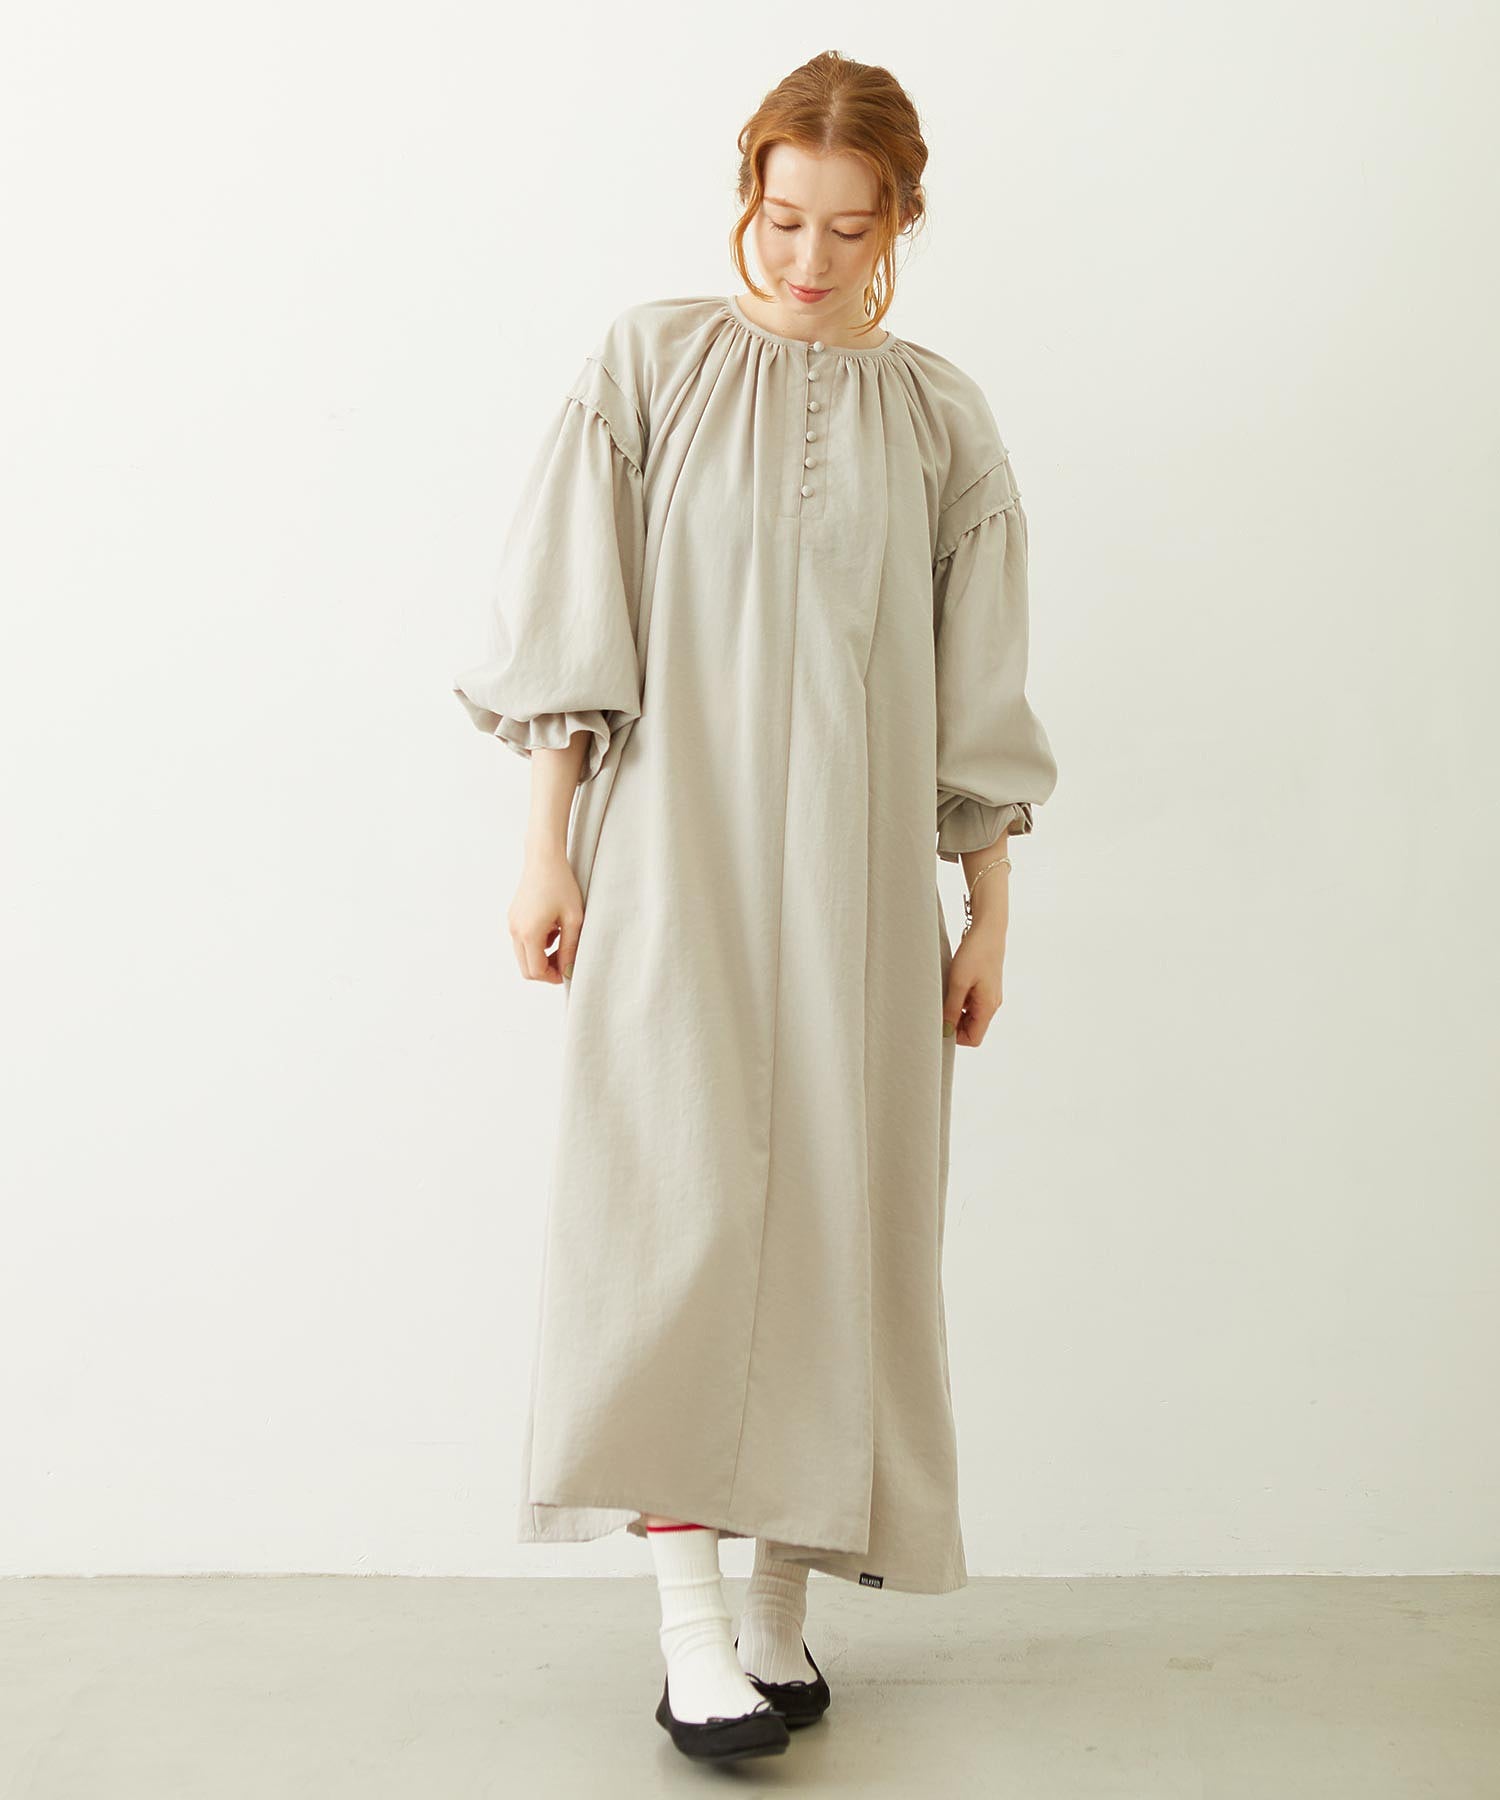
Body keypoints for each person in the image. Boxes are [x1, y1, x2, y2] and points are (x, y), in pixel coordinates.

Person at [453, 50, 1059, 1765]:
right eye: (783, 218)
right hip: (675, 865)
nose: (806, 258)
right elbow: (576, 622)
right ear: (748, 198)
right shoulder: (648, 369)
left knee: (848, 1225)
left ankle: (783, 1616)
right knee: (674, 1219)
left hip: (865, 893)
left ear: (902, 223)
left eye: (848, 229)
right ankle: (691, 1629)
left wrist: (987, 906)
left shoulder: (942, 422)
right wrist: (547, 844)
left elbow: (977, 690)